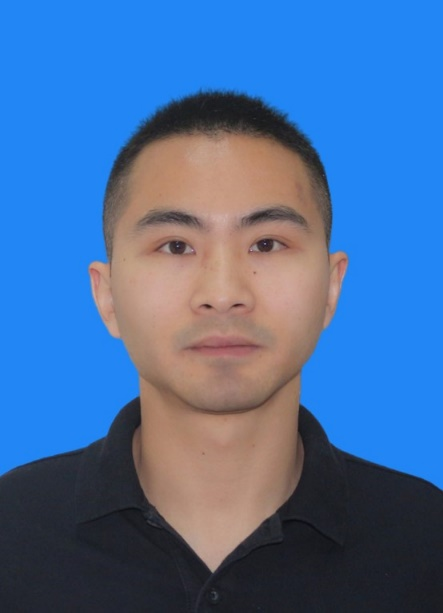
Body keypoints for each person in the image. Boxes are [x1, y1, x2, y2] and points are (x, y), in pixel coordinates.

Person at [0, 91, 441, 612]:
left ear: (331, 287)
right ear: (107, 295)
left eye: (266, 244)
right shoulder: (12, 532)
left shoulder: (426, 541)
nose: (224, 291)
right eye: (176, 246)